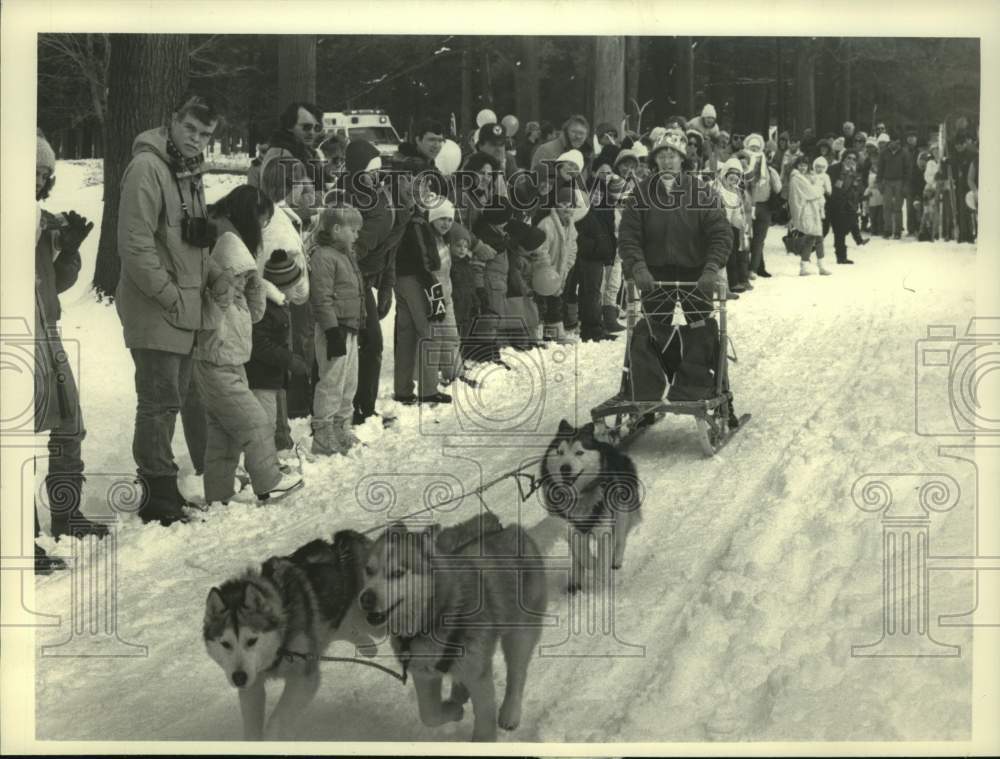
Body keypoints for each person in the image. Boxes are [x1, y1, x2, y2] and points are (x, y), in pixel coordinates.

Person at [116, 93, 222, 526]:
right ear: (173, 122)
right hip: (157, 305)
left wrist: (214, 278)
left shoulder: (186, 170)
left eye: (206, 134)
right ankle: (157, 496)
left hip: (182, 305)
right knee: (158, 402)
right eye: (190, 129)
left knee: (172, 399)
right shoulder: (148, 168)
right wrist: (171, 296)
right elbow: (135, 245)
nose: (196, 139)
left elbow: (190, 243)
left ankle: (165, 490)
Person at [618, 131, 740, 427]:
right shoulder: (643, 192)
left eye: (673, 155)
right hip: (655, 276)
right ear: (655, 160)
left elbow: (721, 233)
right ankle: (643, 396)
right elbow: (629, 235)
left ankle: (715, 393)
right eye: (662, 155)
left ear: (682, 159)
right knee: (650, 333)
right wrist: (638, 267)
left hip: (695, 275)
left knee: (704, 332)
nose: (668, 160)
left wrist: (711, 268)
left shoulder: (700, 191)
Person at [194, 186, 303, 504]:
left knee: (224, 436)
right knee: (254, 421)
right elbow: (217, 316)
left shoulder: (239, 289)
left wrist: (252, 285)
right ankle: (269, 482)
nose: (242, 284)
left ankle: (218, 497)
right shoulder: (224, 268)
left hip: (230, 360)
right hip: (216, 361)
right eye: (263, 222)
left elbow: (254, 315)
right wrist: (239, 285)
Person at [34, 130, 108, 569]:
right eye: (34, 171)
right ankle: (19, 537)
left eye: (46, 173)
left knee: (69, 422)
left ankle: (67, 512)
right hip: (18, 336)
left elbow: (57, 283)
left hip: (48, 328)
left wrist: (70, 251)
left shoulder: (42, 220)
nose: (40, 180)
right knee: (16, 440)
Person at [342, 140, 394, 426]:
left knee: (369, 343)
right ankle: (358, 408)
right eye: (370, 171)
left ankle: (363, 406)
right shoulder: (352, 200)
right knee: (368, 342)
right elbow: (352, 246)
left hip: (364, 278)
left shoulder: (377, 196)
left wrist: (387, 283)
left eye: (378, 171)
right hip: (351, 279)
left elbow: (391, 243)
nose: (376, 176)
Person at [309, 205, 367, 455]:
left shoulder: (346, 255)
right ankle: (323, 434)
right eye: (352, 230)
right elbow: (322, 297)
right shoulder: (323, 256)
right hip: (334, 329)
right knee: (332, 380)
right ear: (336, 229)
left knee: (349, 380)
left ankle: (341, 427)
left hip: (350, 326)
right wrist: (331, 331)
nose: (356, 235)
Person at [245, 250, 311, 452]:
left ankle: (271, 460)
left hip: (272, 377)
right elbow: (260, 344)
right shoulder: (265, 307)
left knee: (270, 421)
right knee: (265, 425)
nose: (298, 290)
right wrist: (289, 360)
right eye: (295, 286)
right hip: (261, 378)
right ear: (283, 286)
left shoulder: (279, 303)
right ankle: (266, 465)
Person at [392, 197, 454, 405]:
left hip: (401, 278)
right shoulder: (418, 224)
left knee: (407, 335)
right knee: (431, 332)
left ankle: (403, 390)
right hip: (418, 280)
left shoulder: (408, 219)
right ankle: (428, 390)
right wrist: (435, 295)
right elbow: (424, 261)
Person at [575, 173, 623, 342]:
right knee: (592, 293)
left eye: (599, 193)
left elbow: (607, 235)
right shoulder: (582, 211)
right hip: (589, 257)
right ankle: (593, 330)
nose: (596, 196)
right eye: (593, 192)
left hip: (598, 257)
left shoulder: (601, 211)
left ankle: (595, 326)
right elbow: (581, 237)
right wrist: (596, 248)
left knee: (595, 292)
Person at [250, 101, 325, 200]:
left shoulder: (307, 153)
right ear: (289, 126)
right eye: (306, 127)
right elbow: (283, 203)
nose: (312, 132)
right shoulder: (281, 155)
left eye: (317, 128)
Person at [743, 133, 782, 279]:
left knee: (759, 240)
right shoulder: (743, 164)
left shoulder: (767, 167)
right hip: (747, 207)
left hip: (764, 206)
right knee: (746, 239)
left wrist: (774, 176)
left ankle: (754, 269)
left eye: (757, 147)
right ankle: (745, 268)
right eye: (752, 147)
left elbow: (777, 188)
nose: (754, 150)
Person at [788, 154, 832, 277]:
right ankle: (817, 266)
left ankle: (806, 265)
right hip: (807, 212)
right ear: (797, 165)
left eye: (805, 165)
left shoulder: (802, 177)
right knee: (815, 238)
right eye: (800, 165)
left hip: (811, 211)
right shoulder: (797, 178)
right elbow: (811, 192)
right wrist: (819, 187)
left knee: (813, 238)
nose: (803, 167)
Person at [827, 150, 866, 264]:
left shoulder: (855, 171)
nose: (851, 161)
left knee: (842, 230)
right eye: (849, 158)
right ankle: (809, 250)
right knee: (828, 231)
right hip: (834, 203)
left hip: (849, 204)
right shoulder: (834, 169)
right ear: (843, 158)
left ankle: (842, 257)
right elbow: (832, 186)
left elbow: (857, 187)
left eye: (854, 159)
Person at [531, 114, 593, 186]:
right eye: (574, 132)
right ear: (566, 132)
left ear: (586, 136)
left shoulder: (586, 155)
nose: (578, 136)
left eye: (582, 133)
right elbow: (535, 179)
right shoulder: (546, 150)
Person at [396, 118, 449, 198]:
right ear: (418, 140)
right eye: (431, 140)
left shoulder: (429, 164)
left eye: (440, 141)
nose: (436, 145)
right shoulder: (414, 166)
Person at [876, 134, 909, 239]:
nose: (893, 144)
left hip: (899, 181)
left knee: (898, 207)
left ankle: (898, 230)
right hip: (887, 181)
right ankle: (887, 229)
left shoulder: (904, 153)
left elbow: (907, 170)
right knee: (887, 207)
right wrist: (879, 183)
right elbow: (880, 169)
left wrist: (905, 185)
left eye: (896, 141)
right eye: (892, 142)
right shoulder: (884, 153)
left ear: (899, 142)